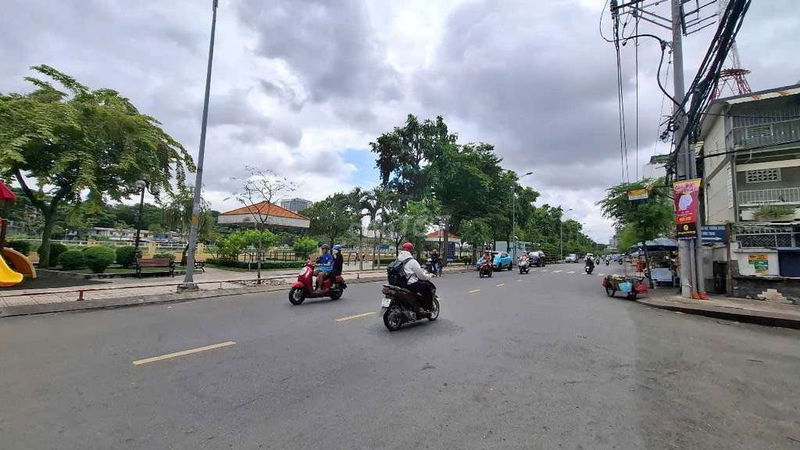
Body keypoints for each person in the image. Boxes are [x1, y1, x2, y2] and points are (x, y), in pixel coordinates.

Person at [396, 242, 435, 312]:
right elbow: (421, 276)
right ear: (411, 251)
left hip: (398, 284)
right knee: (427, 287)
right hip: (409, 284)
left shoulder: (397, 259)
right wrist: (429, 276)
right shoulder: (412, 261)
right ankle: (428, 308)